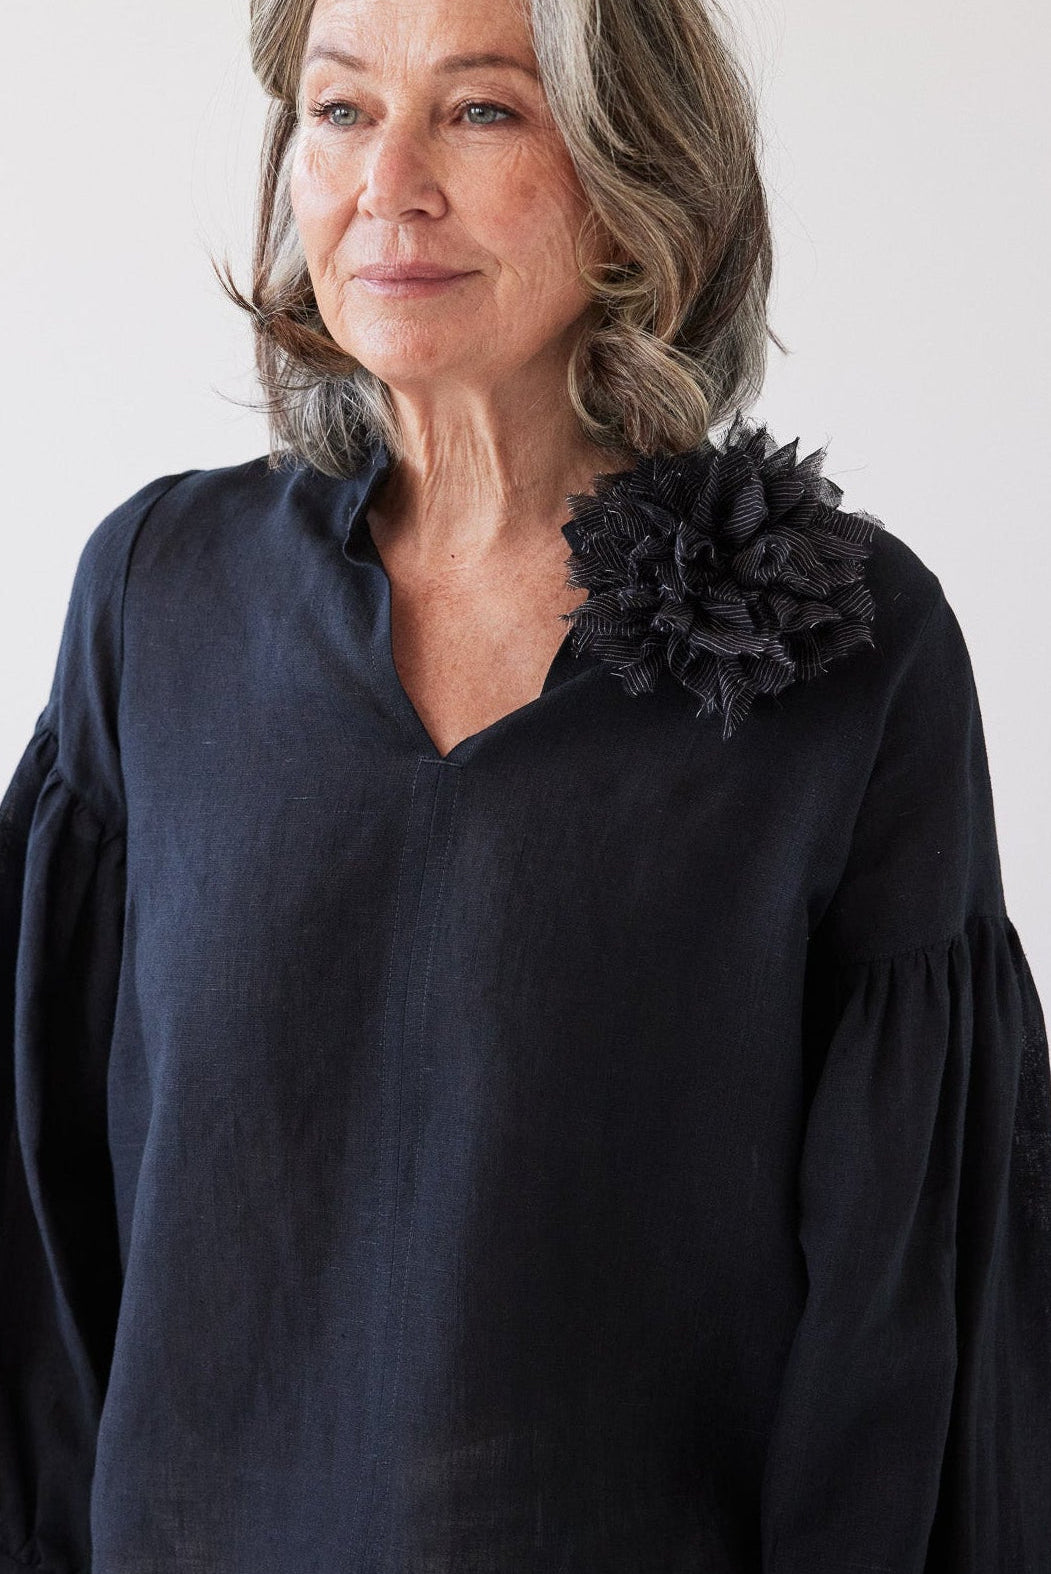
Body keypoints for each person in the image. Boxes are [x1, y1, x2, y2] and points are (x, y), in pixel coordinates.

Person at [2, 0, 1049, 1567]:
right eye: (342, 112)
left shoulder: (852, 655)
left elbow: (911, 1341)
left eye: (482, 113)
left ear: (642, 178)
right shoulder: (161, 599)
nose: (388, 183)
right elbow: (32, 1228)